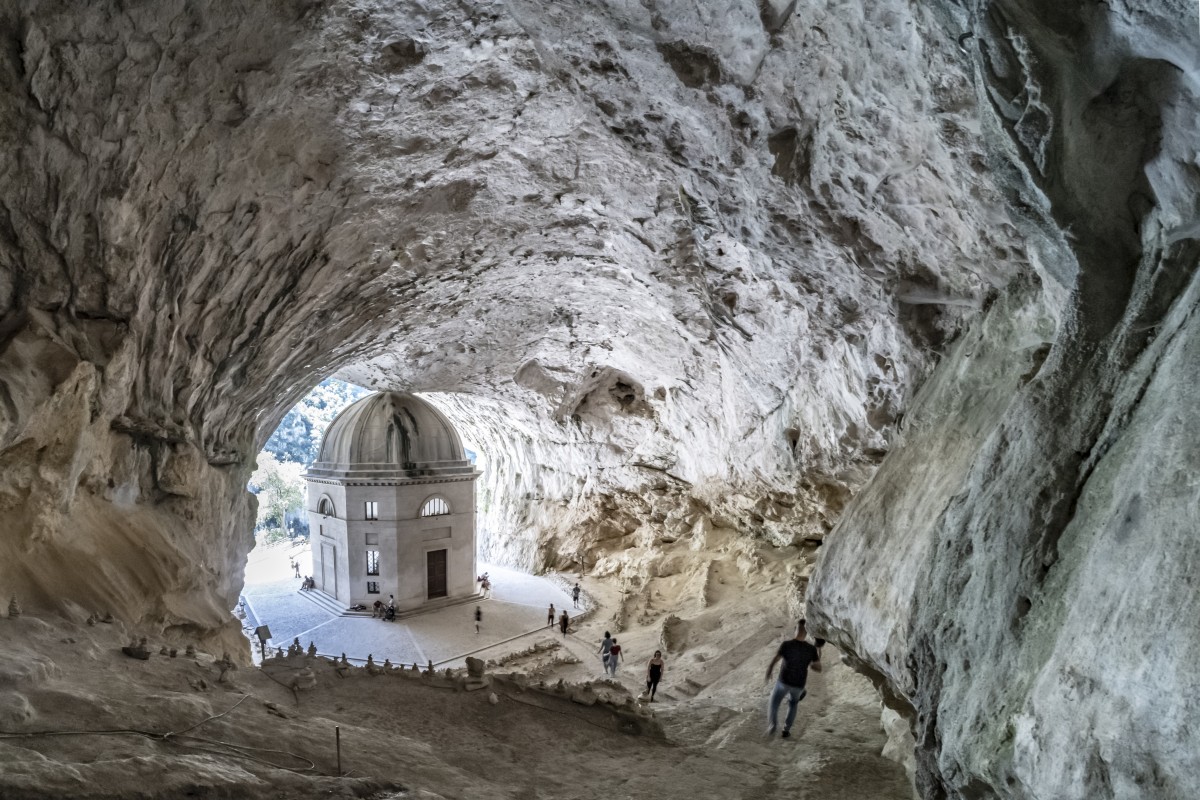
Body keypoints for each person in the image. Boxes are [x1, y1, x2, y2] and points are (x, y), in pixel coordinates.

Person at [764, 619, 823, 738]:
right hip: (799, 684)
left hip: (783, 681)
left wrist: (769, 670)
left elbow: (775, 659)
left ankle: (772, 725)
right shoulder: (811, 649)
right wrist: (812, 662)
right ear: (806, 633)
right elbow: (818, 668)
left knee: (774, 702)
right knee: (793, 704)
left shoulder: (786, 645)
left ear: (795, 630)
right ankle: (786, 730)